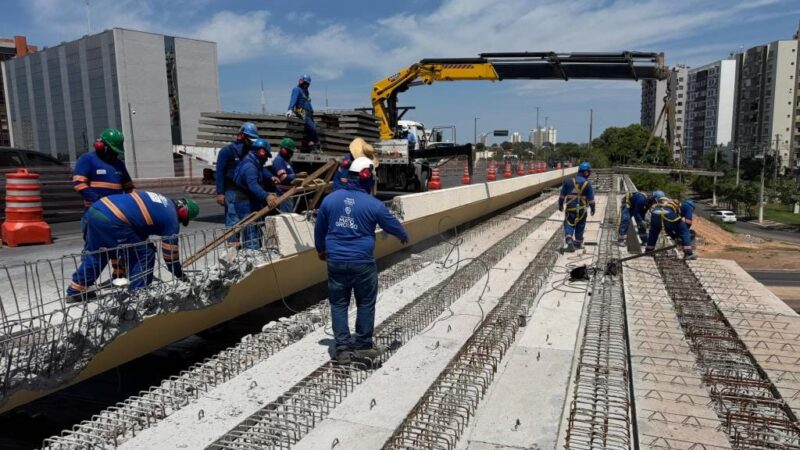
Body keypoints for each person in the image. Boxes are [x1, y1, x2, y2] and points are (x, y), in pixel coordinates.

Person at [314, 156, 408, 363]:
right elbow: (391, 223)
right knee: (365, 303)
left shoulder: (330, 200)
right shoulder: (373, 204)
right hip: (362, 263)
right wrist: (403, 236)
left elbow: (319, 228)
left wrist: (321, 250)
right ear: (367, 177)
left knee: (339, 304)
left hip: (336, 261)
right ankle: (363, 345)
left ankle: (342, 349)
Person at [66, 192, 199, 302]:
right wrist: (180, 275)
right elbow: (170, 256)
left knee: (98, 253)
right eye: (183, 220)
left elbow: (139, 221)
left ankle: (76, 291)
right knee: (145, 253)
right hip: (114, 219)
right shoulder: (172, 219)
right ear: (183, 213)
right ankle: (139, 296)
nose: (180, 223)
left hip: (96, 210)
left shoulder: (163, 201)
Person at [73, 128, 134, 224]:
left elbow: (129, 188)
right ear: (101, 146)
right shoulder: (87, 159)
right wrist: (99, 200)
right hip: (96, 212)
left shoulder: (119, 164)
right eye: (113, 151)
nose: (115, 154)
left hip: (116, 212)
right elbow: (79, 184)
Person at [216, 122, 259, 244]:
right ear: (241, 136)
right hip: (231, 191)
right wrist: (220, 193)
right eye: (249, 139)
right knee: (233, 222)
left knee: (248, 221)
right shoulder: (226, 152)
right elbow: (219, 173)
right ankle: (233, 249)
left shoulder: (249, 152)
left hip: (246, 192)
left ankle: (249, 249)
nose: (250, 142)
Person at [233, 138, 279, 248]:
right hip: (245, 203)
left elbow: (262, 170)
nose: (266, 159)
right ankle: (252, 259)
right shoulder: (250, 166)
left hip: (249, 201)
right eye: (266, 156)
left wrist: (270, 176)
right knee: (251, 235)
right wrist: (266, 195)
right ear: (262, 152)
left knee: (256, 232)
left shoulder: (253, 162)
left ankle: (254, 254)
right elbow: (253, 185)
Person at [645, 191, 696, 260]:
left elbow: (667, 228)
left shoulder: (671, 204)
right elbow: (688, 222)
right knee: (685, 231)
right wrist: (681, 235)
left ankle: (649, 251)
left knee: (654, 232)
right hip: (668, 213)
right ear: (692, 207)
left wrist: (674, 236)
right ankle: (688, 253)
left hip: (655, 213)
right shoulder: (688, 207)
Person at [558, 161, 595, 252]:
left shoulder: (568, 181)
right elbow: (591, 201)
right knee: (580, 225)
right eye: (588, 172)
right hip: (582, 210)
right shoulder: (587, 184)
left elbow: (561, 196)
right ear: (586, 172)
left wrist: (560, 205)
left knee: (569, 223)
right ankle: (578, 243)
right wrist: (593, 209)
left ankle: (569, 239)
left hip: (570, 208)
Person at [271, 138, 306, 213]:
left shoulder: (286, 161)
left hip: (288, 193)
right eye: (291, 151)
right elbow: (283, 178)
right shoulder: (279, 161)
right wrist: (297, 176)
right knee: (286, 216)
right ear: (284, 151)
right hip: (283, 194)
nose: (291, 154)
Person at [286, 74, 320, 152]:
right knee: (312, 129)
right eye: (305, 83)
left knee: (310, 131)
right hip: (301, 110)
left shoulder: (306, 92)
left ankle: (312, 147)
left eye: (307, 84)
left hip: (309, 113)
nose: (306, 85)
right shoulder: (297, 89)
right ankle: (317, 143)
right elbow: (293, 99)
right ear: (301, 82)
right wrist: (290, 109)